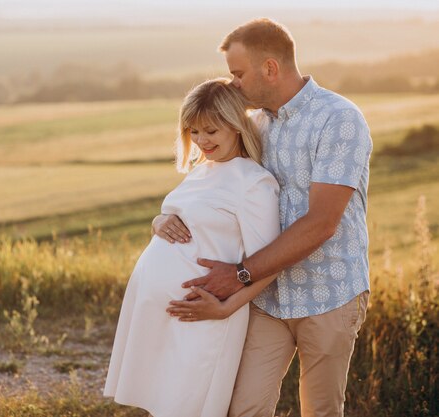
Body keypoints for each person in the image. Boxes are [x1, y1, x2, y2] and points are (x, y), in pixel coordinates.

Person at [161, 18, 372, 417]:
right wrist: (164, 217)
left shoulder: (339, 119)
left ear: (270, 68)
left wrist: (238, 273)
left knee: (321, 411)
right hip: (268, 298)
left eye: (237, 73)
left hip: (329, 293)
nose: (233, 84)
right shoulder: (254, 125)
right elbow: (212, 187)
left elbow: (322, 223)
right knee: (244, 407)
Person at [103, 77, 281, 417]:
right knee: (164, 405)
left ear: (235, 127)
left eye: (211, 131)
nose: (201, 141)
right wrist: (158, 222)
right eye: (193, 131)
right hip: (168, 317)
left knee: (188, 407)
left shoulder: (254, 182)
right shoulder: (203, 170)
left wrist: (225, 309)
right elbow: (187, 220)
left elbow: (268, 264)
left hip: (207, 315)